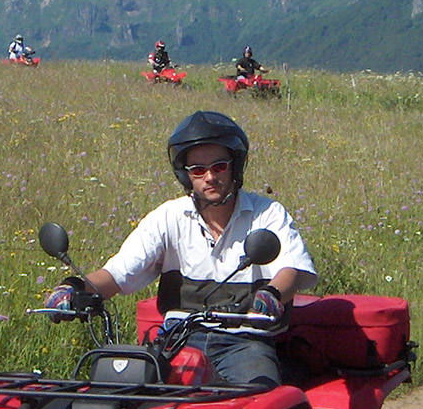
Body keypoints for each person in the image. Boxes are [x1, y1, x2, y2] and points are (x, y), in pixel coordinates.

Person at [43, 111, 317, 387]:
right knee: (124, 391)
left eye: (219, 166)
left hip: (244, 341)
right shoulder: (168, 217)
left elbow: (289, 269)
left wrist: (271, 294)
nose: (209, 177)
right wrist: (75, 289)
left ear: (235, 166)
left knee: (258, 399)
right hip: (178, 338)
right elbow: (118, 273)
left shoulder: (267, 213)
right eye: (198, 170)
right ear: (186, 176)